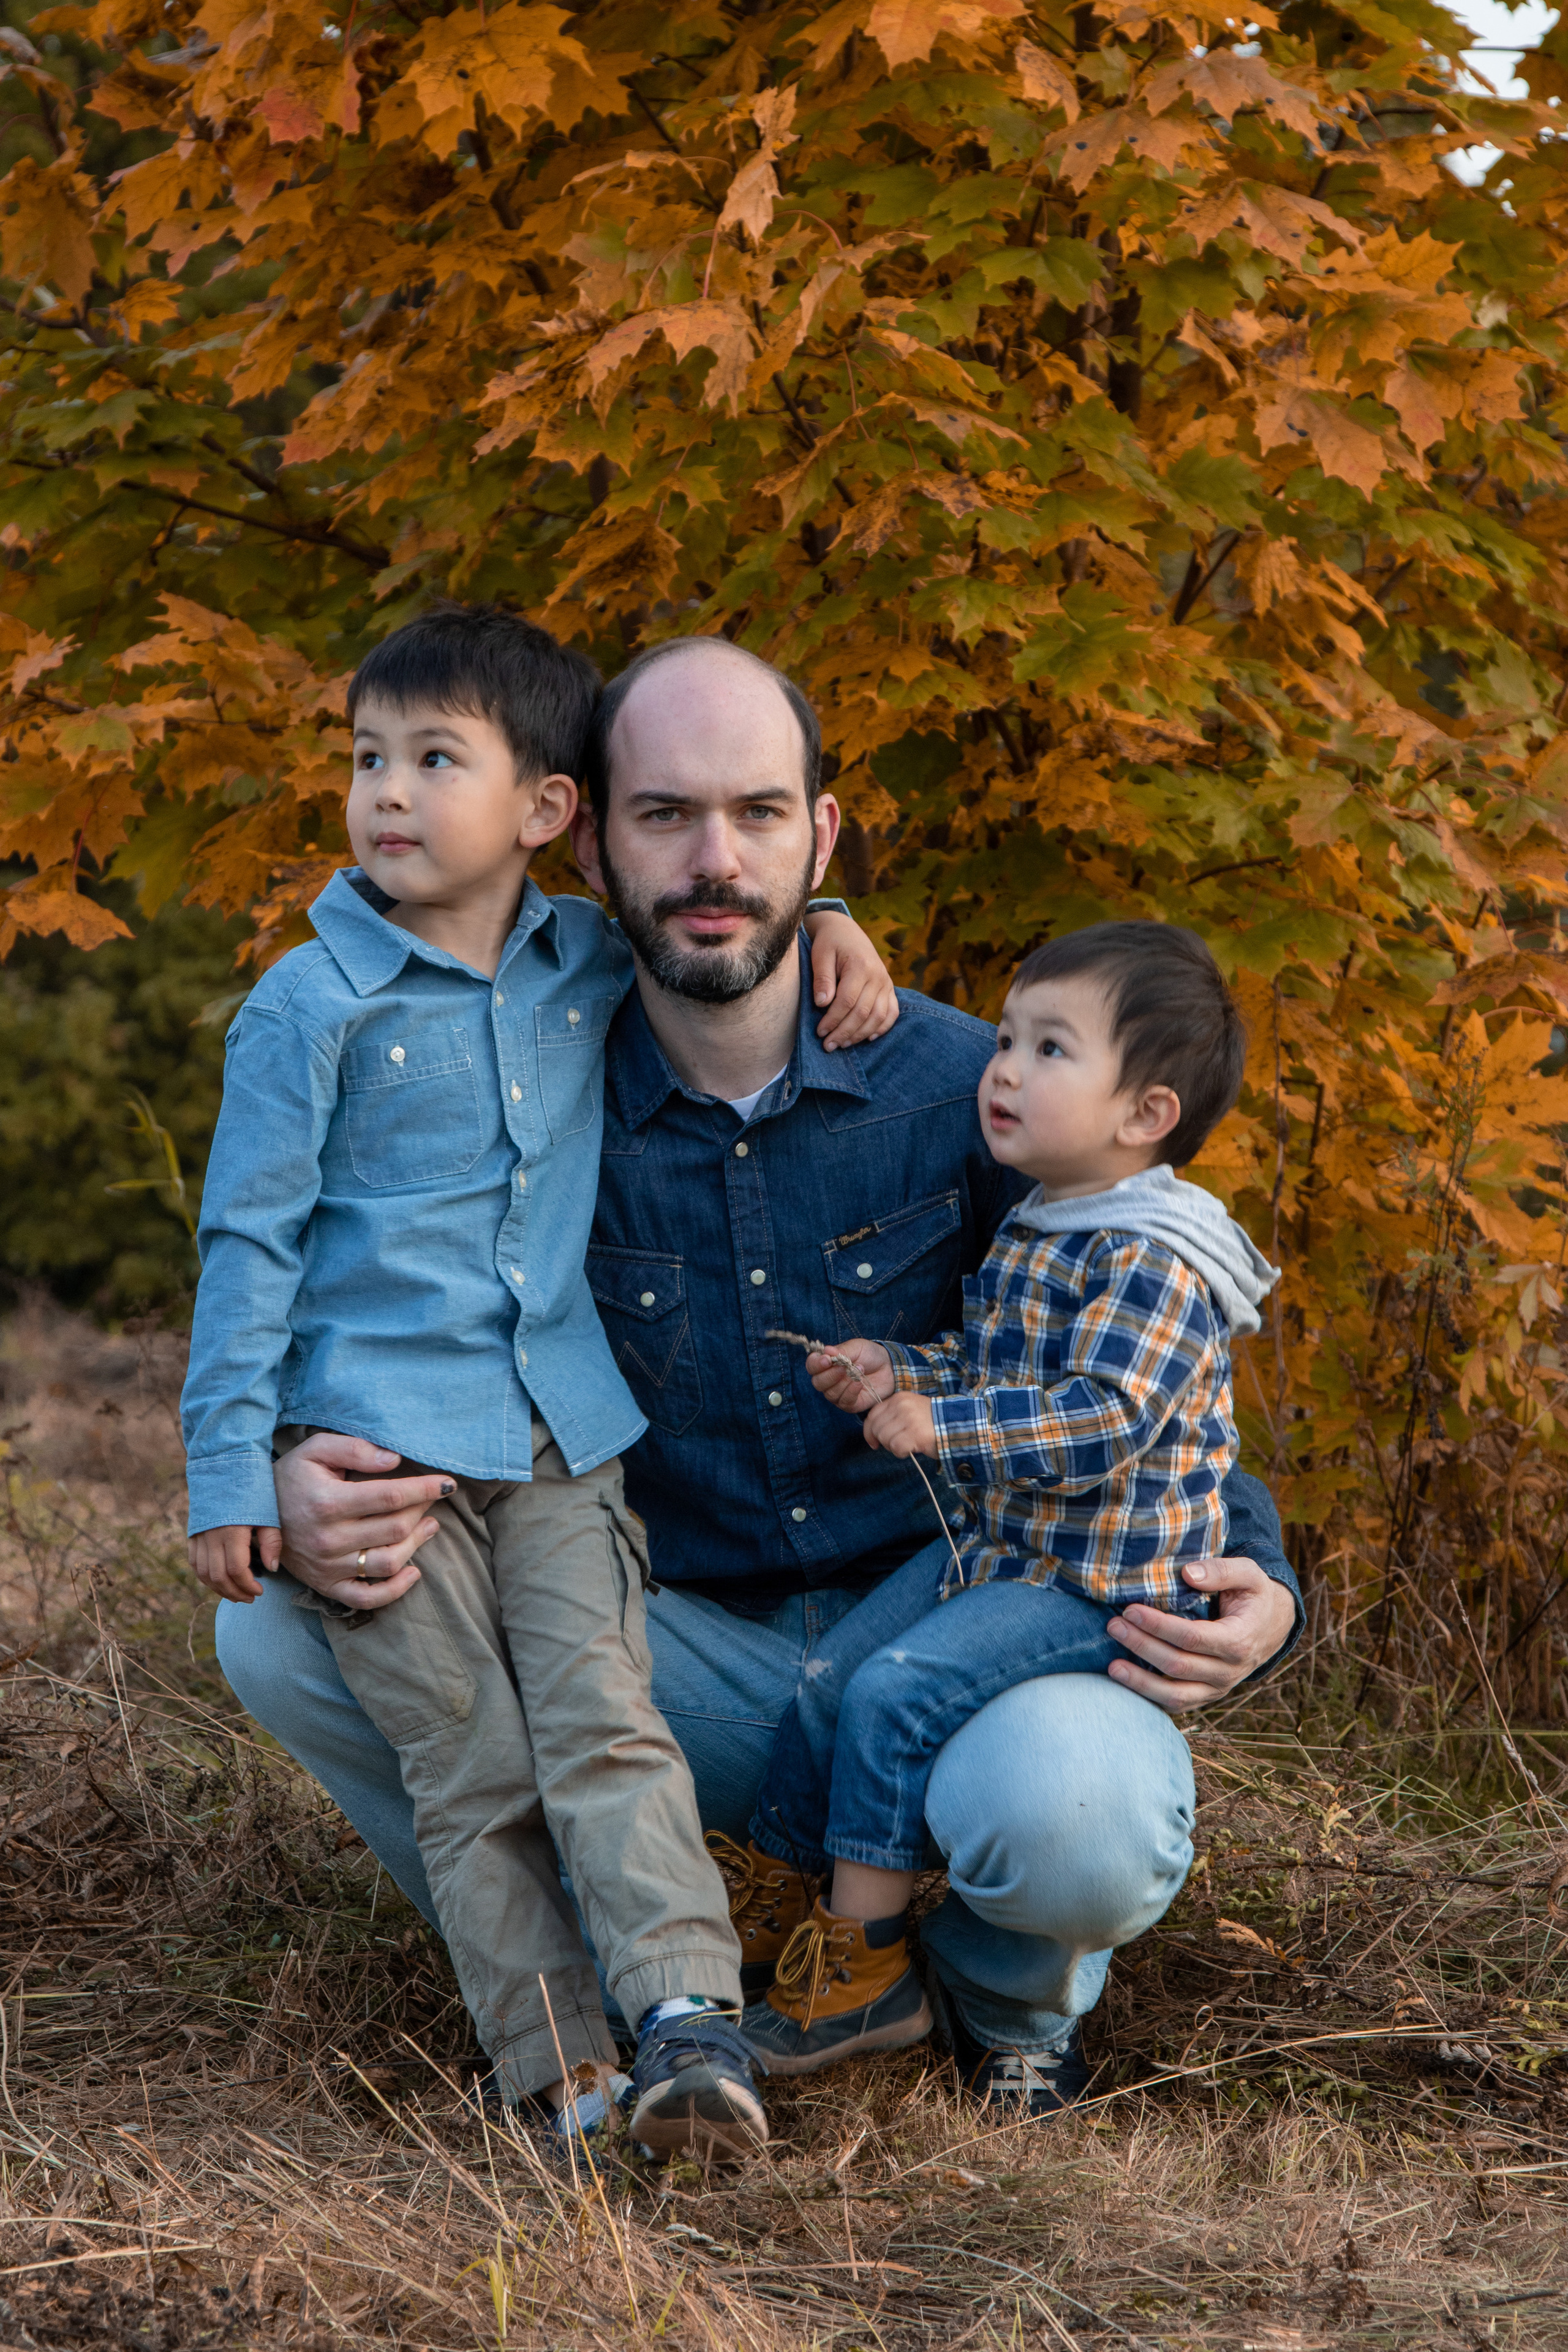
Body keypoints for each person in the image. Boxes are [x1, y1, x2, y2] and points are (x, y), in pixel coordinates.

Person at [216, 634, 1305, 2117]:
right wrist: (291, 1457)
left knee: (1074, 1805)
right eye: (664, 816)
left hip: (953, 1626)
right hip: (669, 1654)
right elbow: (341, 1274)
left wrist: (1256, 1571)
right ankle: (625, 1999)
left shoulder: (961, 1090)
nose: (713, 860)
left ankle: (985, 2003)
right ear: (584, 835)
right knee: (288, 1624)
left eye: (759, 814)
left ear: (821, 835)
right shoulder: (523, 1081)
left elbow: (1130, 1360)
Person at [181, 605, 894, 2161]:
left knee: (600, 1720)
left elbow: (717, 916)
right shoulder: (308, 1009)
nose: (385, 792)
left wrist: (822, 916)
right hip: (388, 1462)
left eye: (435, 759)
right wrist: (231, 1470)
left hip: (563, 1440)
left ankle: (688, 2023)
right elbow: (245, 1250)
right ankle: (564, 2070)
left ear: (543, 814)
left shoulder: (579, 961)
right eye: (368, 756)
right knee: (474, 1764)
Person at [739, 922, 1279, 2073]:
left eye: (1049, 1049)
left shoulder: (1155, 1258)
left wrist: (943, 1423)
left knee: (892, 1692)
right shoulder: (1047, 1223)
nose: (1004, 1070)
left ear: (1147, 1115)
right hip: (1006, 1548)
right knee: (834, 1679)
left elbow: (1103, 1419)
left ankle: (863, 1967)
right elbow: (995, 1373)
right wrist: (897, 1371)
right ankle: (777, 1895)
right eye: (1004, 1039)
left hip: (1097, 1584)